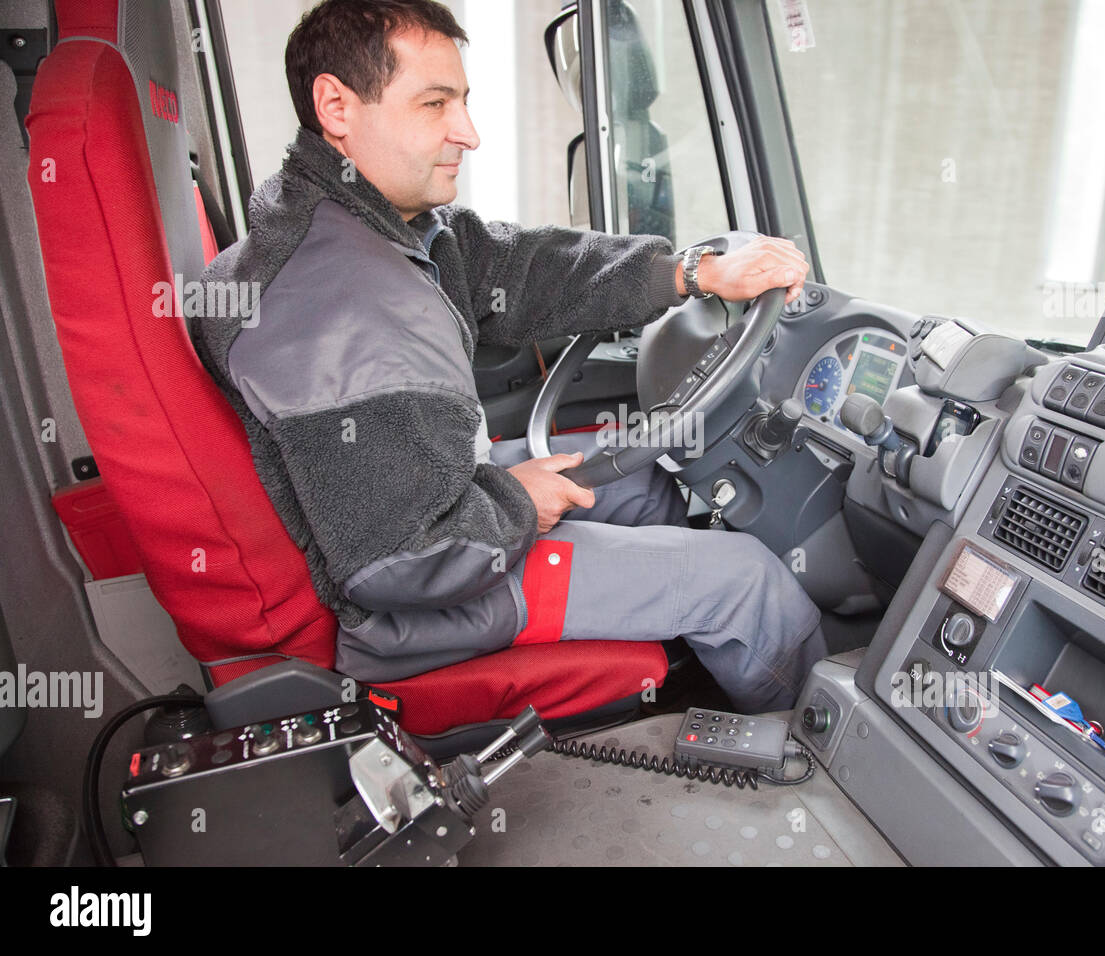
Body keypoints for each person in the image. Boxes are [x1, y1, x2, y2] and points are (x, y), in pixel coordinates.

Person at [190, 0, 828, 712]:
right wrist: (519, 499)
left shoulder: (364, 224)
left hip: (442, 507)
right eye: (435, 104)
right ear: (337, 106)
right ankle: (823, 757)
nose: (469, 133)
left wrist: (686, 273)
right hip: (414, 611)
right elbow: (398, 561)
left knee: (645, 486)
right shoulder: (339, 308)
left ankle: (679, 660)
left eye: (462, 101)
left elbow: (515, 269)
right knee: (747, 581)